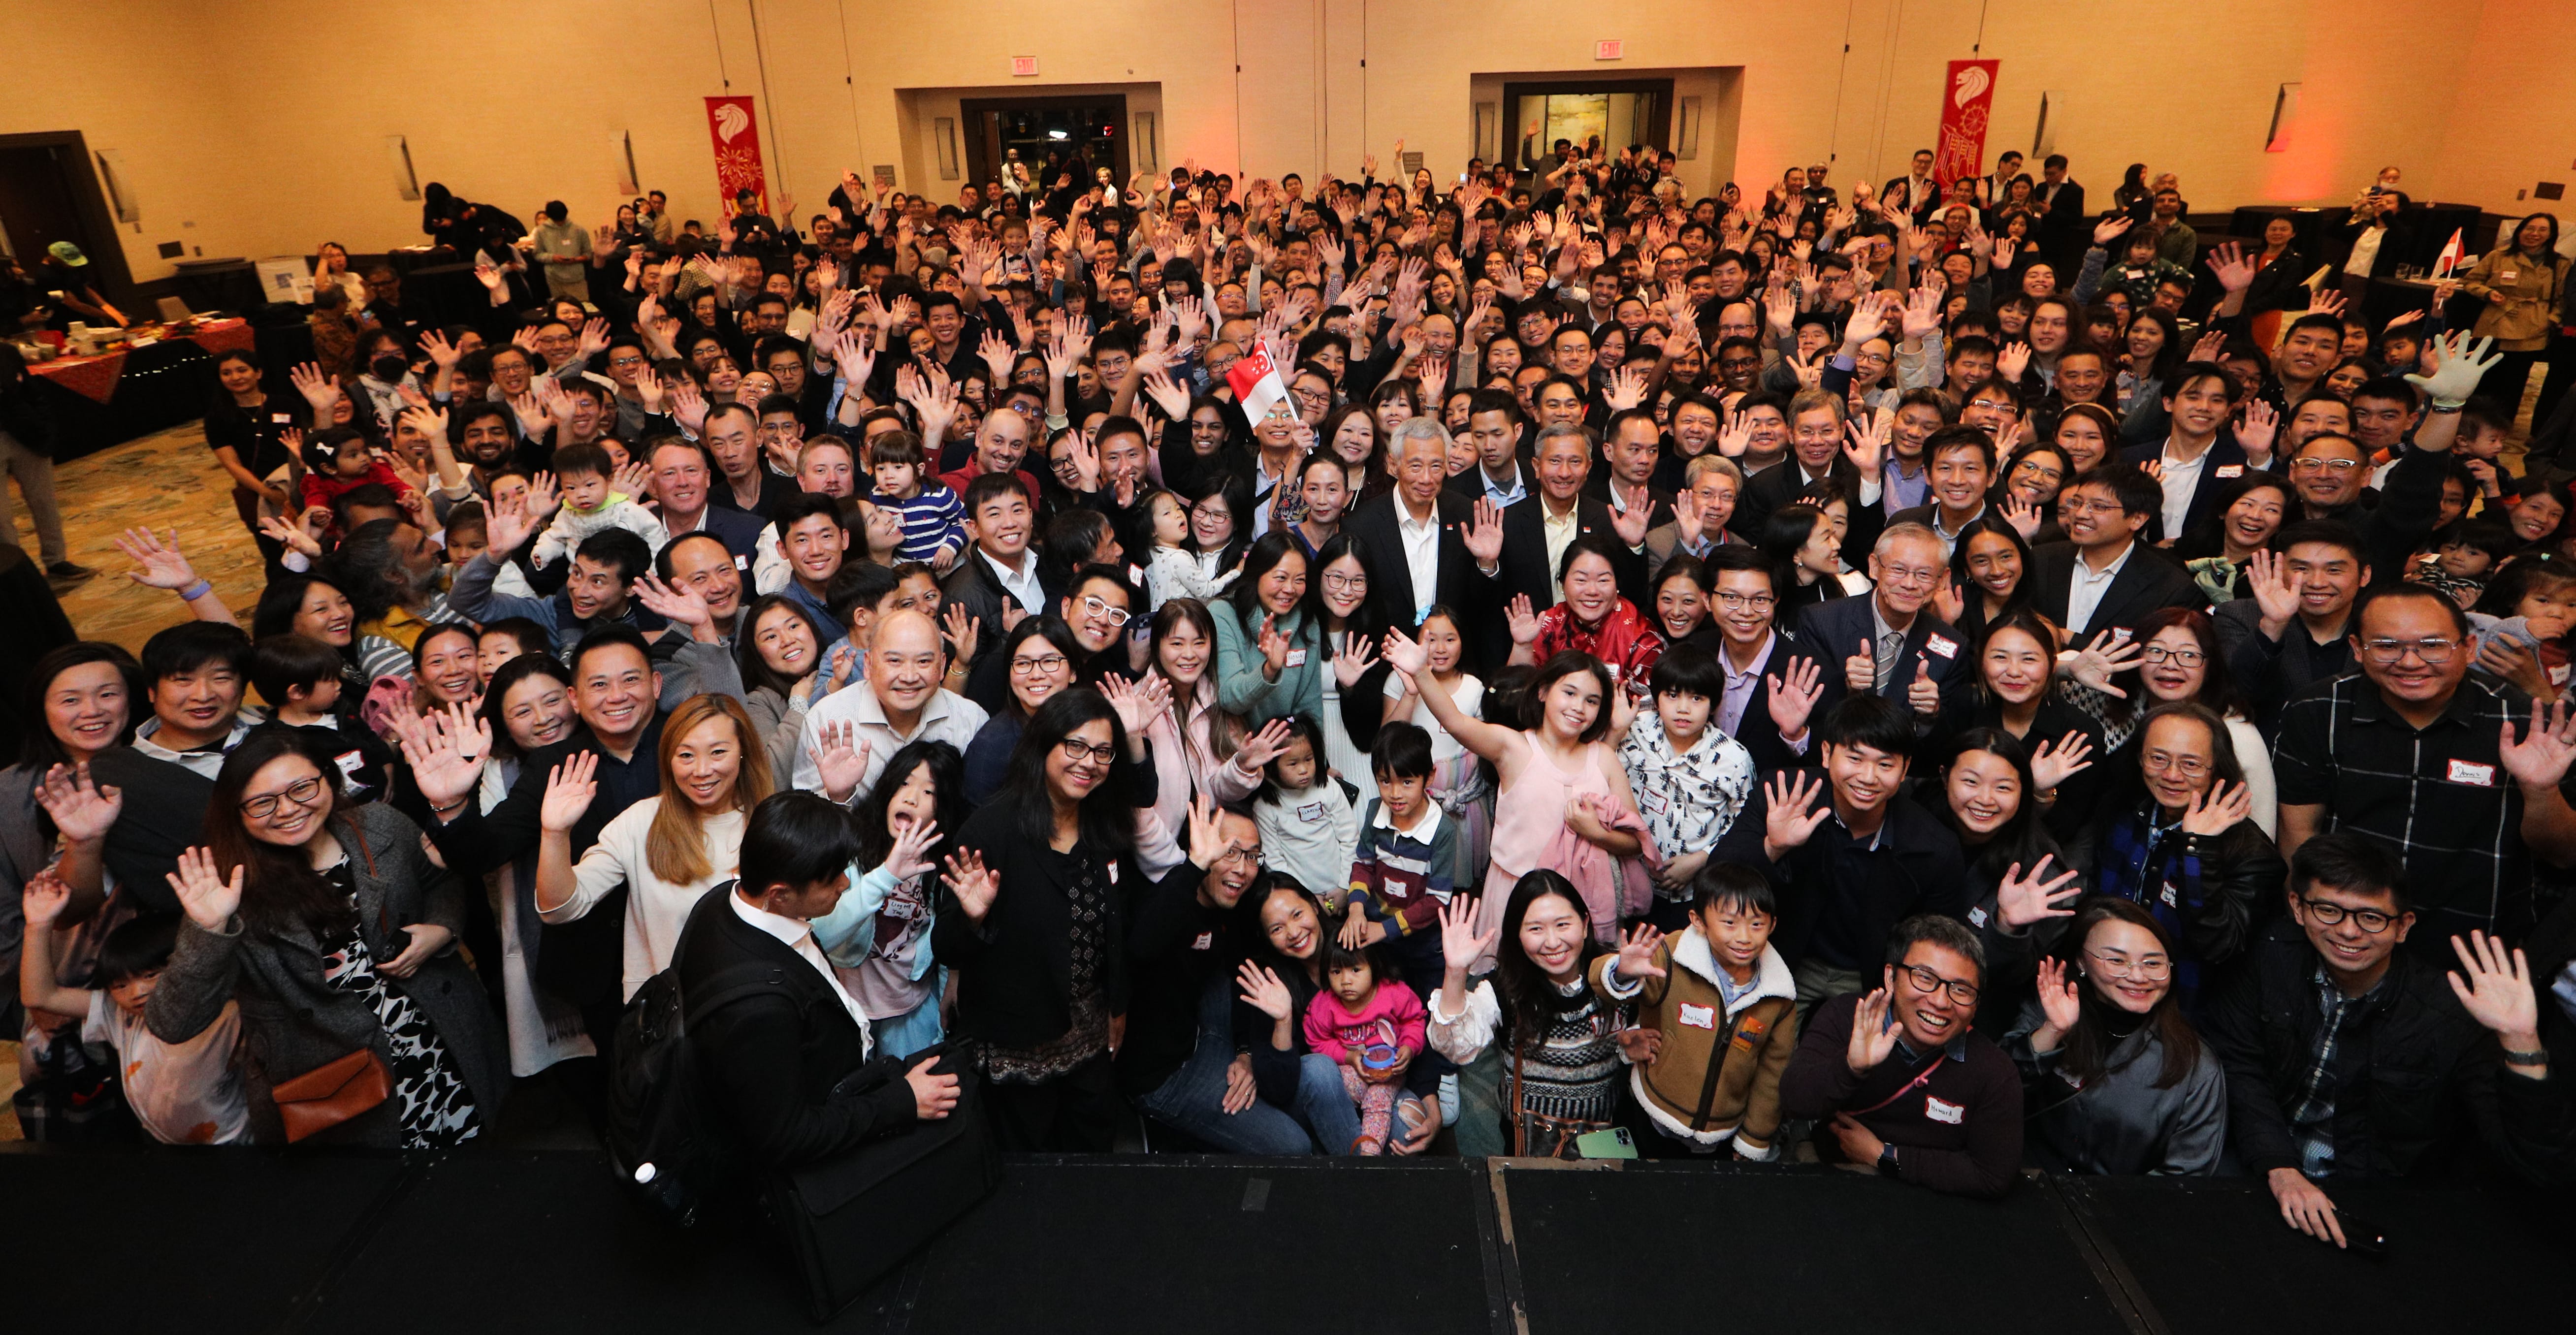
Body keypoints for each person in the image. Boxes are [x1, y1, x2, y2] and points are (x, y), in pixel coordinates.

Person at [2204, 833, 2574, 1248]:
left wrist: (2520, 1038)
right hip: (2262, 1169)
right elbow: (2240, 1066)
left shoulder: (2447, 1014)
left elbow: (2542, 1164)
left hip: (2376, 1206)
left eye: (2371, 918)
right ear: (2297, 908)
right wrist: (2280, 1167)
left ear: (2403, 927)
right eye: (2328, 910)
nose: (2348, 931)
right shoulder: (2269, 957)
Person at [148, 730, 506, 1147]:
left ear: (328, 780)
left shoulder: (379, 825)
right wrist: (208, 929)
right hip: (336, 1078)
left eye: (302, 788)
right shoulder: (226, 887)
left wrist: (442, 928)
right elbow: (174, 1024)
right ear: (236, 812)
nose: (288, 810)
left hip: (441, 1038)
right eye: (263, 802)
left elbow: (439, 880)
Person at [934, 689, 1217, 1151]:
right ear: (1045, 744)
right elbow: (944, 947)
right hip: (1017, 1048)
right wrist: (971, 917)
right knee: (1029, 1180)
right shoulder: (992, 829)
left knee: (1091, 1171)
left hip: (1089, 1043)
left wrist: (1118, 1008)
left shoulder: (1103, 827)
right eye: (1076, 746)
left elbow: (1118, 933)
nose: (1089, 762)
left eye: (1104, 752)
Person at [2273, 585, 2576, 953]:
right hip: (2349, 932)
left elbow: (2563, 855)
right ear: (2357, 649)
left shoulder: (2525, 719)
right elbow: (2299, 833)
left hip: (2477, 945)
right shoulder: (2319, 708)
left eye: (2433, 645)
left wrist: (2540, 790)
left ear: (2468, 648)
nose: (2411, 662)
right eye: (2386, 646)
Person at [675, 789, 960, 1169]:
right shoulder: (758, 1010)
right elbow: (789, 1135)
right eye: (832, 880)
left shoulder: (727, 899)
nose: (845, 884)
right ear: (780, 895)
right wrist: (901, 1103)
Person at [1381, 632, 1639, 962]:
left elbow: (1634, 842)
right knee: (1507, 991)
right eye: (1570, 693)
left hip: (1580, 900)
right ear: (1544, 692)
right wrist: (1421, 672)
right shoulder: (1514, 747)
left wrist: (1595, 833)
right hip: (1513, 893)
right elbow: (1455, 721)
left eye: (1592, 700)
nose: (1579, 707)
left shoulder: (1604, 757)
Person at [1716, 695, 1968, 1008]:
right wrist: (1774, 847)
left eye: (1885, 764)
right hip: (1780, 957)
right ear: (1826, 753)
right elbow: (1717, 878)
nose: (1868, 777)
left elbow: (1938, 943)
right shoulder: (1785, 793)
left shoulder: (1934, 847)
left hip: (1869, 976)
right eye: (1855, 759)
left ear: (1904, 771)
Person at [533, 694, 772, 1002]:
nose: (701, 770)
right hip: (671, 1024)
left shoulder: (771, 823)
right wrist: (555, 833)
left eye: (718, 753)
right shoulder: (641, 823)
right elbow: (559, 909)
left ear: (743, 752)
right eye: (686, 755)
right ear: (668, 760)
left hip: (761, 1009)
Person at [1778, 913, 2024, 1197]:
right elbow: (1793, 1101)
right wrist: (1850, 1068)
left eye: (1961, 989)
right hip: (1833, 1182)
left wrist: (1885, 1156)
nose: (1941, 1001)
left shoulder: (1994, 1071)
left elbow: (1994, 1176)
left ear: (1976, 1004)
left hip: (1933, 1201)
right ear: (1891, 978)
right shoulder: (1847, 1017)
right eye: (1925, 977)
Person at [2003, 896, 2228, 1175]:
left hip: (2118, 1208)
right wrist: (2053, 1031)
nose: (2137, 976)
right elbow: (1996, 1093)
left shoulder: (2195, 1065)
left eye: (2153, 963)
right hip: (2023, 1183)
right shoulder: (2050, 1007)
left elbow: (2188, 1176)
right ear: (2081, 961)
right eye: (2117, 960)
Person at [1593, 862, 1799, 1159]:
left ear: (1773, 925)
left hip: (1722, 1130)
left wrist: (1754, 1139)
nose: (1744, 937)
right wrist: (1621, 971)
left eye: (1757, 924)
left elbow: (1773, 1073)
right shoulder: (1672, 956)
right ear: (1698, 921)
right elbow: (1598, 982)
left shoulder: (1778, 994)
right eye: (1729, 923)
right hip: (1656, 1112)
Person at [1426, 874, 1630, 1158]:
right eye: (1536, 929)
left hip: (1606, 1141)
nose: (1553, 942)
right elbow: (1455, 1046)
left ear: (1585, 925)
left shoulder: (1618, 975)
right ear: (1518, 936)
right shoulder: (1507, 988)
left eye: (1563, 925)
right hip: (1531, 1143)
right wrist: (1456, 971)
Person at [808, 739, 964, 1056]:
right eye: (904, 783)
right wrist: (887, 875)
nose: (911, 796)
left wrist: (951, 982)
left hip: (910, 1008)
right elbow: (822, 932)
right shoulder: (855, 851)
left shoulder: (939, 867)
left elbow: (948, 933)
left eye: (928, 792)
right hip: (848, 1009)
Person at [1617, 644, 1757, 930]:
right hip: (1634, 883)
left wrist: (1701, 860)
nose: (1683, 708)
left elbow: (1745, 824)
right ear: (1656, 699)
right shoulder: (1635, 731)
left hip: (1700, 892)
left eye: (1697, 698)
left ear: (1714, 703)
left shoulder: (1733, 759)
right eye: (1672, 695)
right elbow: (1604, 780)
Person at [791, 609, 987, 801]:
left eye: (924, 661)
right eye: (894, 661)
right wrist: (839, 796)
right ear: (868, 664)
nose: (909, 677)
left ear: (942, 666)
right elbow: (806, 823)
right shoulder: (827, 719)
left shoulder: (971, 719)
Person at [1793, 523, 1974, 729]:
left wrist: (1931, 714)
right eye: (1898, 570)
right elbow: (1806, 713)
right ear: (1874, 567)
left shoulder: (1953, 646)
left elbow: (1945, 740)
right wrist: (1847, 687)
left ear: (1942, 580)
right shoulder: (1823, 622)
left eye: (1924, 574)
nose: (1910, 584)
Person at [2026, 465, 2205, 640]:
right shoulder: (2040, 560)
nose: (2080, 514)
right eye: (2077, 503)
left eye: (2098, 507)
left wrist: (2071, 639)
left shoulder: (2171, 586)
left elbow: (2149, 655)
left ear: (2137, 519)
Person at [1300, 935, 1429, 1154]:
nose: (1345, 981)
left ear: (1374, 968)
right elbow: (1317, 1040)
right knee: (1335, 1089)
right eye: (1336, 972)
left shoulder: (1393, 993)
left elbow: (1414, 1020)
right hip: (1352, 1071)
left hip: (1390, 1072)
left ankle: (1369, 1155)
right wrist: (1348, 1057)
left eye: (1355, 970)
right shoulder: (1325, 1004)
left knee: (1378, 1098)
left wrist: (1409, 1046)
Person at [1250, 713, 1359, 912]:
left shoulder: (1329, 789)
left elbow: (1350, 839)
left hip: (1343, 889)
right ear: (1272, 765)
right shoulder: (1266, 807)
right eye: (1293, 764)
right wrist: (1304, 898)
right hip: (1301, 900)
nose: (1304, 770)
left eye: (1309, 759)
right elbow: (1275, 862)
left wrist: (1345, 887)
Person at [2458, 213, 2568, 411]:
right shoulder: (2499, 256)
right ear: (2520, 231)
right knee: (2483, 376)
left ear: (2551, 235)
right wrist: (2488, 293)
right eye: (2530, 229)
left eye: (2542, 230)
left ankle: (2502, 424)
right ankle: (2470, 419)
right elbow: (2468, 281)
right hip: (2495, 322)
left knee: (2515, 381)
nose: (2534, 234)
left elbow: (2562, 299)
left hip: (2533, 328)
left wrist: (2551, 319)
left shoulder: (2560, 264)